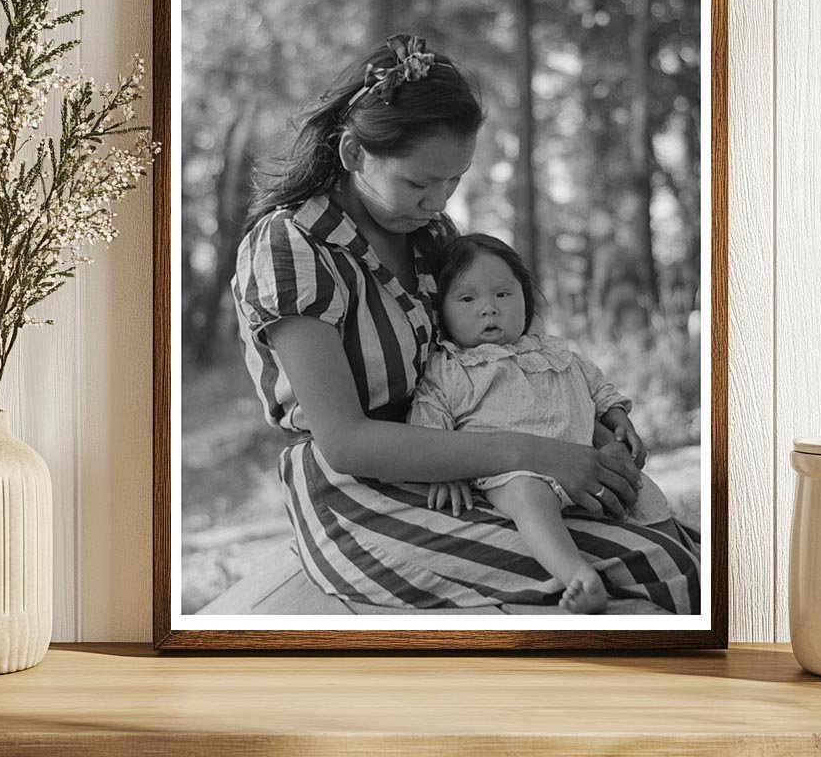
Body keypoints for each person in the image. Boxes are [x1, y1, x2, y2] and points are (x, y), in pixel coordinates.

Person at [231, 33, 699, 613]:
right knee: (656, 565)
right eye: (419, 182)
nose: (438, 200)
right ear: (354, 154)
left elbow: (496, 361)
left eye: (454, 180)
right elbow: (347, 442)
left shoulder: (431, 239)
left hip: (469, 465)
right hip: (359, 496)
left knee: (677, 545)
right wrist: (537, 454)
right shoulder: (292, 245)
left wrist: (588, 429)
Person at [409, 233, 692, 613]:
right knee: (529, 497)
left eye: (503, 295)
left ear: (525, 298)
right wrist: (445, 469)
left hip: (584, 463)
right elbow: (428, 422)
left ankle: (682, 556)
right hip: (512, 474)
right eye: (467, 298)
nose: (488, 309)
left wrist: (617, 417)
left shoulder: (555, 351)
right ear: (442, 310)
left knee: (641, 488)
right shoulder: (451, 368)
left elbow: (596, 387)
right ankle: (577, 575)